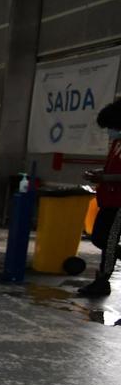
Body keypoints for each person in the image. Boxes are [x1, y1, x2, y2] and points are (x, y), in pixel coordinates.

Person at [79, 99, 121, 296]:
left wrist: (103, 177)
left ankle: (102, 282)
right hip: (108, 200)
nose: (110, 131)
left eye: (112, 126)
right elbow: (113, 168)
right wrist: (98, 173)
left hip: (119, 203)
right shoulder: (117, 143)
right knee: (99, 239)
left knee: (107, 241)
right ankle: (102, 281)